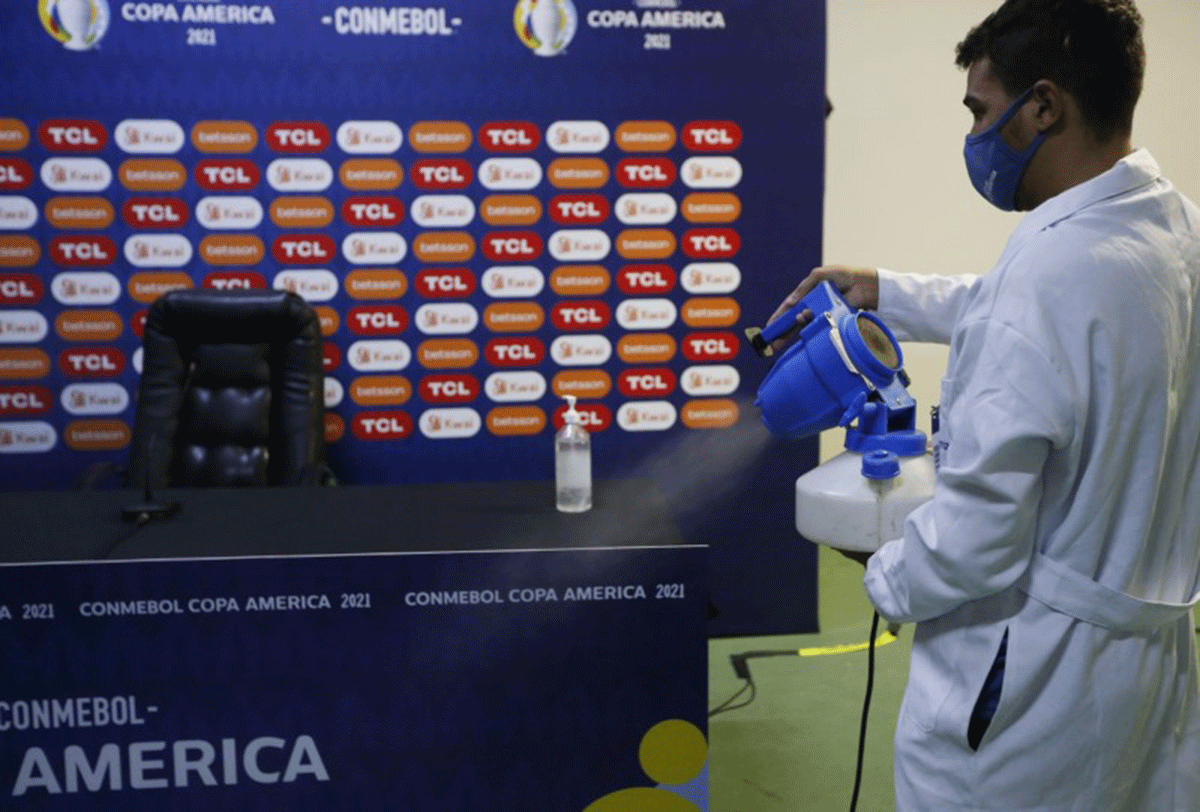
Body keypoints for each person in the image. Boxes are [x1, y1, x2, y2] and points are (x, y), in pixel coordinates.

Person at [769, 1, 1200, 809]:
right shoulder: (1173, 232)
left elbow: (976, 543)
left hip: (1031, 697)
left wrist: (886, 576)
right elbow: (1057, 320)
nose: (973, 136)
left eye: (979, 109)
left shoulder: (1042, 282)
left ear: (1043, 106)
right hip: (1152, 667)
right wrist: (888, 293)